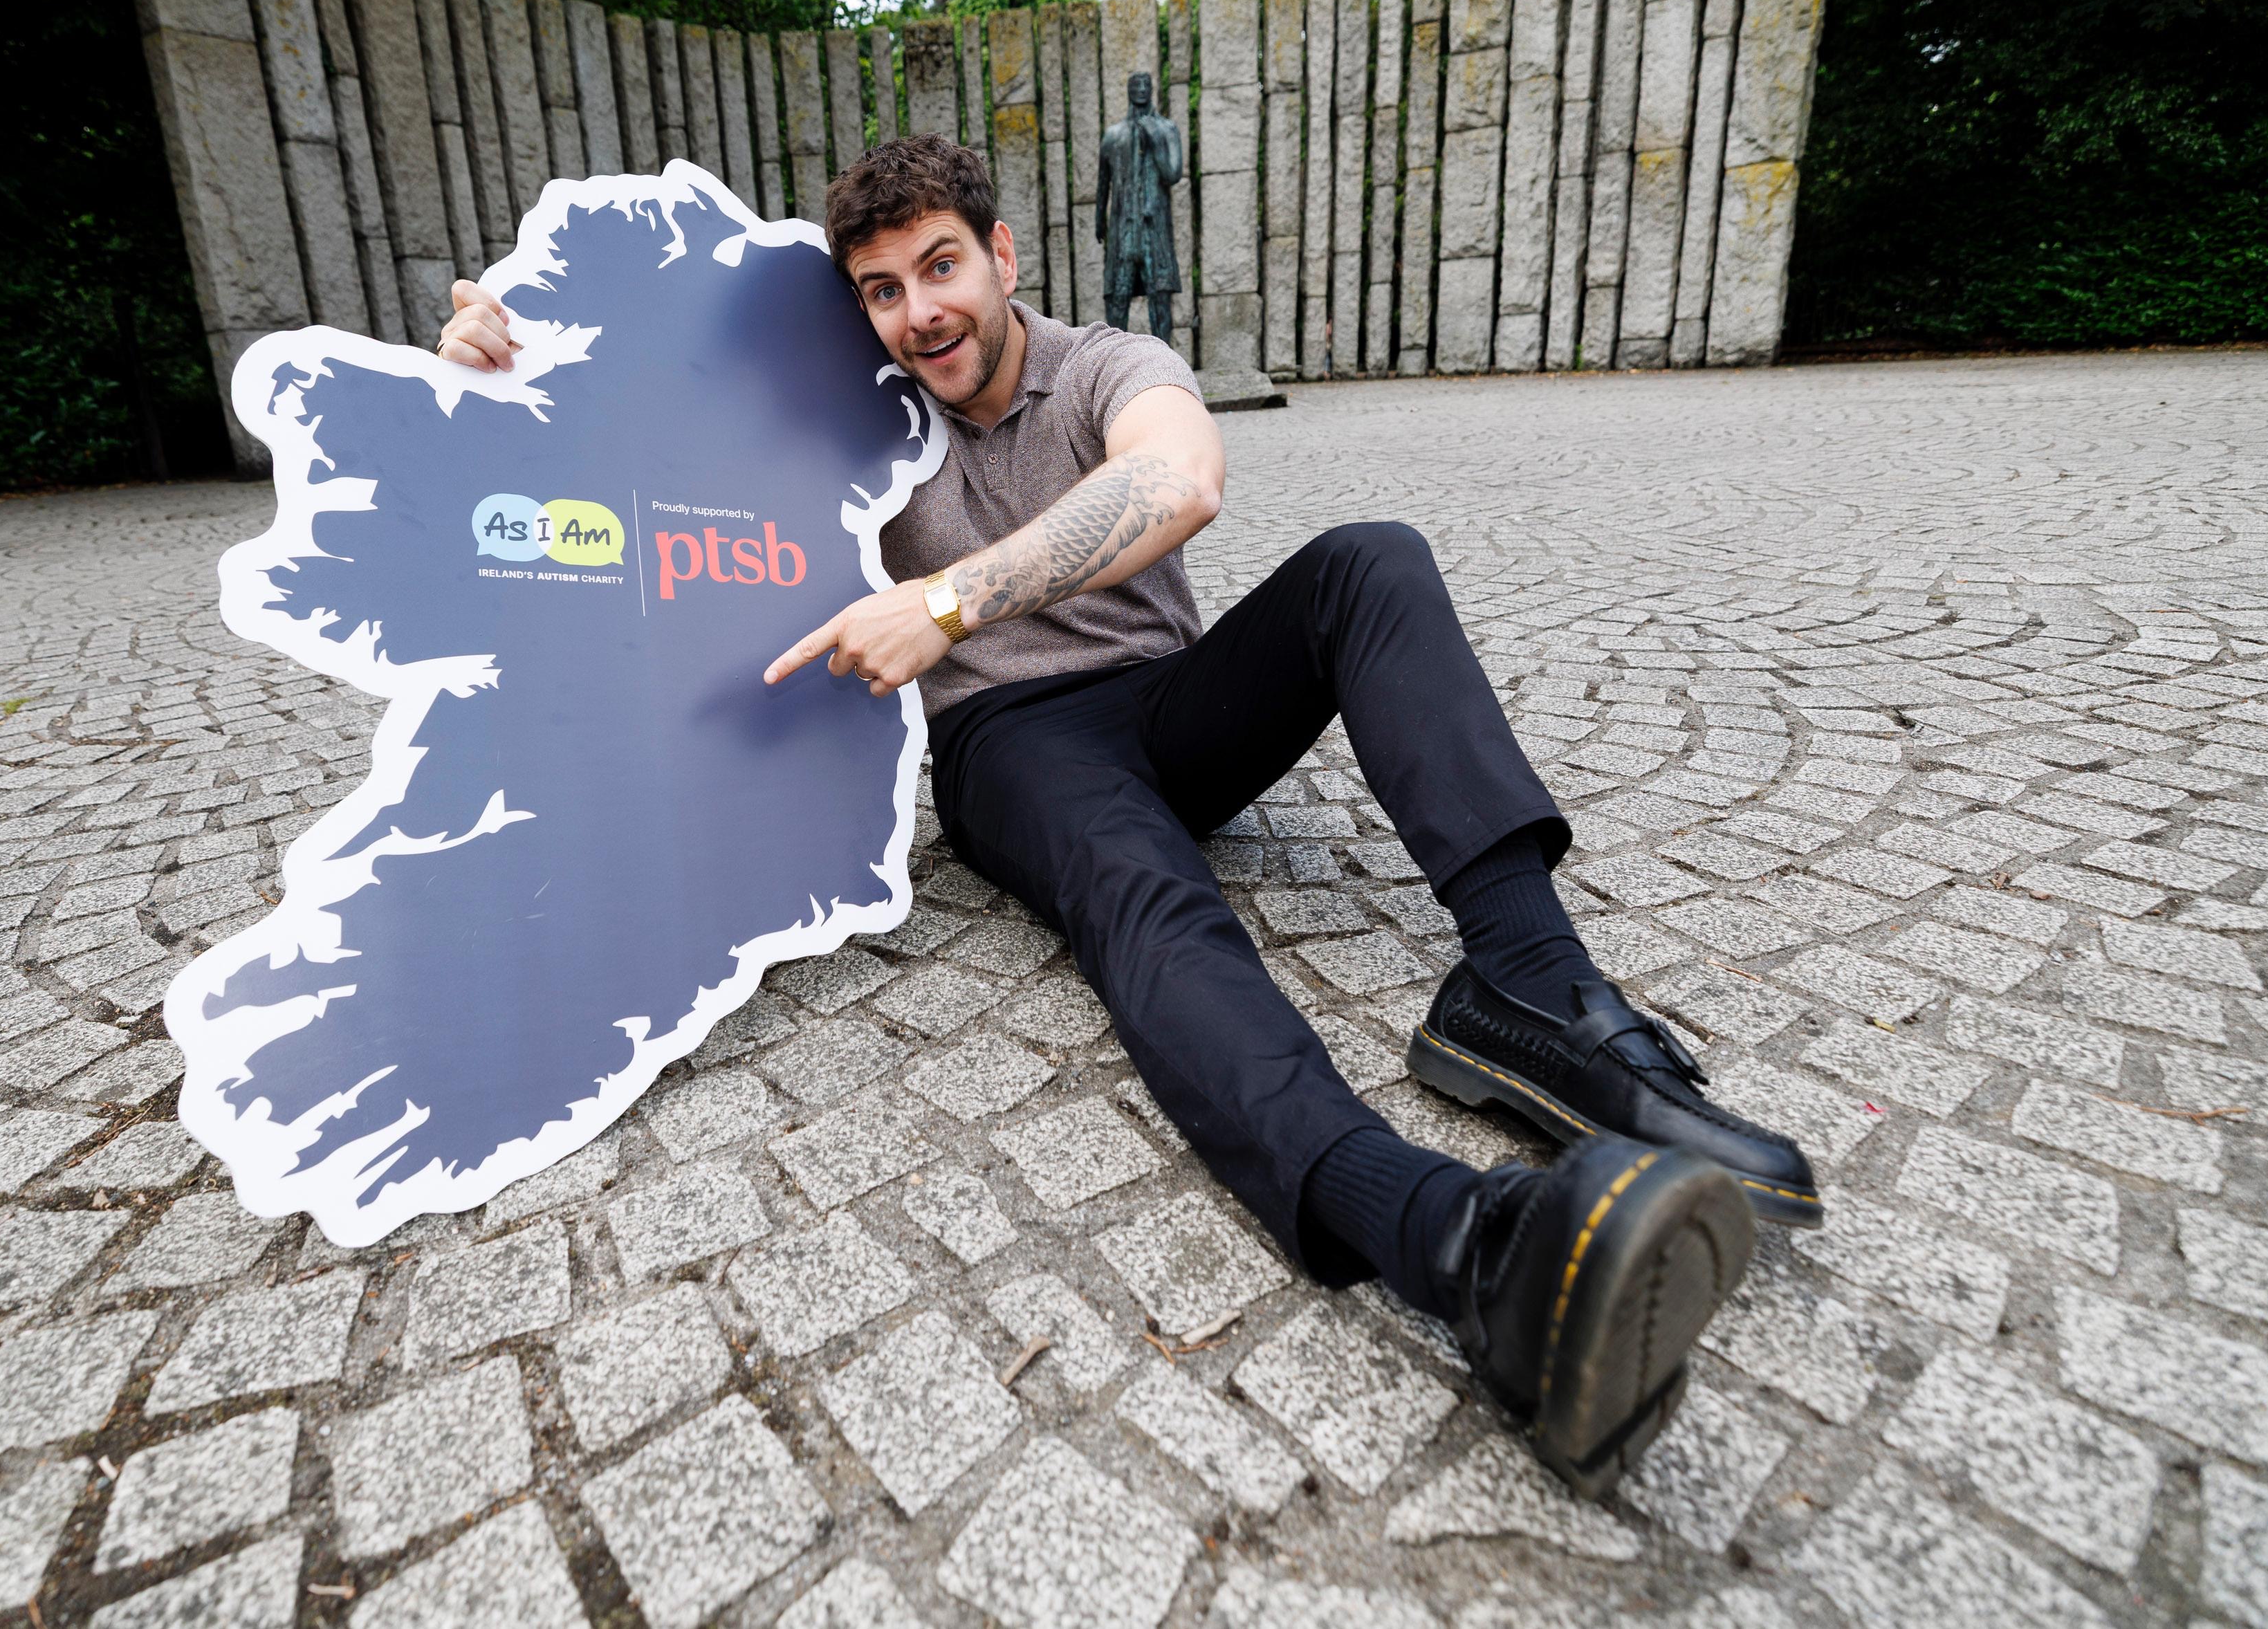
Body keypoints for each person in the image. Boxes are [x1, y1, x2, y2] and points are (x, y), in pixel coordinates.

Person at [439, 137, 1819, 1498]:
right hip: (1009, 741)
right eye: (879, 288)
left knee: (1368, 563)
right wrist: (516, 363)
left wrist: (942, 599)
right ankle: (1455, 1242)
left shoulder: (1105, 365)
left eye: (939, 267)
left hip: (1171, 701)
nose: (919, 311)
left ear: (1002, 257)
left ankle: (1530, 989)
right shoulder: (847, 418)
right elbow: (642, 460)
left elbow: (1177, 481)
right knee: (1142, 898)